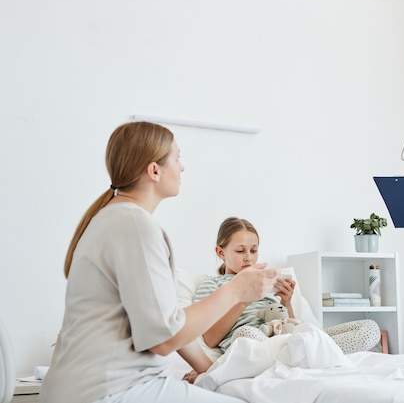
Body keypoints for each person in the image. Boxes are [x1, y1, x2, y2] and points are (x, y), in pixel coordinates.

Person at [40, 122, 278, 403]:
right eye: (177, 158)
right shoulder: (134, 226)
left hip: (87, 388)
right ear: (154, 170)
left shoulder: (115, 219)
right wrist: (236, 291)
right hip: (110, 390)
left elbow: (166, 325)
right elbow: (163, 339)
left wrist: (211, 373)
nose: (182, 168)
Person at [192, 217, 381, 356]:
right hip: (257, 345)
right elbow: (210, 339)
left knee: (370, 328)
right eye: (240, 251)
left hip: (290, 340)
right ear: (220, 252)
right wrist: (242, 300)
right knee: (246, 335)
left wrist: (287, 301)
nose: (248, 257)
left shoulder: (266, 281)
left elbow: (291, 325)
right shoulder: (211, 285)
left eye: (254, 250)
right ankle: (308, 355)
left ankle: (301, 355)